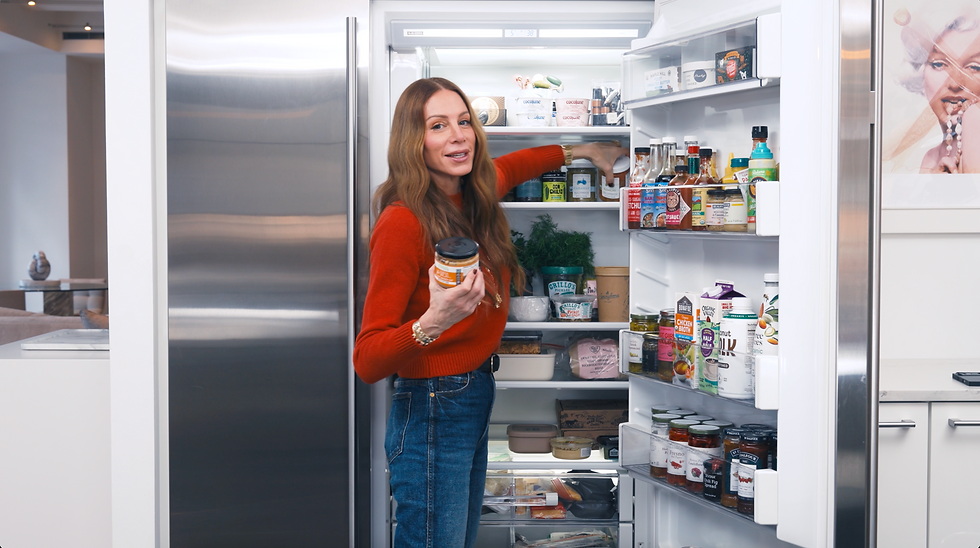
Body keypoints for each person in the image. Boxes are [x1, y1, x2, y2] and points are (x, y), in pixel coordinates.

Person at [352, 77, 625, 548]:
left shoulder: (467, 193)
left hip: (471, 390)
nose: (459, 136)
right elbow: (368, 359)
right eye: (438, 126)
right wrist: (434, 320)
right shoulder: (402, 222)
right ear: (412, 142)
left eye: (464, 122)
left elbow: (514, 165)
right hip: (433, 403)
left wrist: (584, 149)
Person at [889, 4, 980, 173]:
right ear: (920, 73)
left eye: (974, 67)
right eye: (939, 64)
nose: (955, 83)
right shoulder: (930, 158)